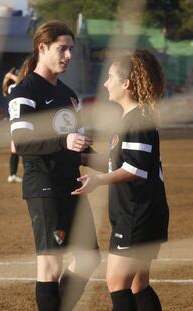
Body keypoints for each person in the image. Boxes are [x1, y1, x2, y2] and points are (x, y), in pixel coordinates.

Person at [8, 20, 100, 311]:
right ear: (42, 48)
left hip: (70, 184)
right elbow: (22, 143)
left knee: (89, 257)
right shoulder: (25, 92)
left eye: (71, 49)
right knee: (50, 266)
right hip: (44, 186)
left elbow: (76, 148)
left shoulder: (69, 95)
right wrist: (64, 141)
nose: (68, 55)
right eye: (62, 49)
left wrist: (114, 161)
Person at [71, 49, 169, 311]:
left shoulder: (137, 120)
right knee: (138, 285)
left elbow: (134, 169)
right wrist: (82, 156)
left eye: (110, 77)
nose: (105, 83)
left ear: (126, 84)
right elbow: (120, 162)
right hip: (140, 212)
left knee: (117, 283)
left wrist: (98, 180)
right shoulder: (131, 118)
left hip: (138, 214)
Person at [3, 67, 22, 183]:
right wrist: (9, 76)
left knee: (15, 148)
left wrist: (8, 75)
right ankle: (13, 174)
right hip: (18, 122)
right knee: (23, 148)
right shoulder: (13, 87)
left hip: (14, 122)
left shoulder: (11, 88)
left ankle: (12, 174)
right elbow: (21, 81)